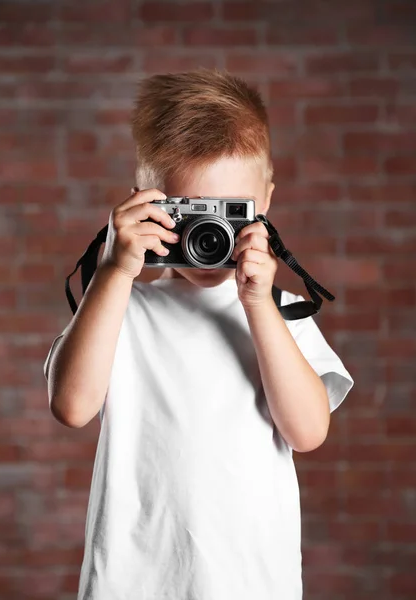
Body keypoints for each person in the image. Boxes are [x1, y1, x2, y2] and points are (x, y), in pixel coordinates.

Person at [44, 69, 354, 600]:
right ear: (144, 203)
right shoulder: (120, 307)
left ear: (267, 202)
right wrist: (114, 271)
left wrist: (258, 303)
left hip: (253, 584)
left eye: (231, 213)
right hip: (131, 583)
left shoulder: (282, 314)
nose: (207, 236)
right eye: (189, 214)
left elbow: (308, 432)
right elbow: (71, 407)